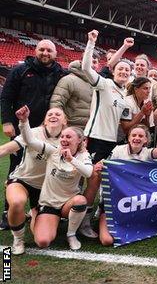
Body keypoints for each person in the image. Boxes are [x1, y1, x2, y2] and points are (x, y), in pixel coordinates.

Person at [0, 38, 66, 229]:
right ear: (35, 51)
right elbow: (6, 97)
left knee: (47, 168)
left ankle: (41, 208)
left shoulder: (60, 73)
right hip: (24, 128)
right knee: (18, 166)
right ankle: (9, 210)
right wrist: (7, 121)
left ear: (55, 54)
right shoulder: (21, 70)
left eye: (49, 51)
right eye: (42, 49)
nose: (45, 53)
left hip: (50, 131)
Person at [16, 105, 97, 251]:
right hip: (49, 204)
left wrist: (71, 159)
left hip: (68, 204)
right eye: (63, 136)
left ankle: (71, 234)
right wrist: (24, 121)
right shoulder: (53, 151)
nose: (64, 139)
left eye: (69, 136)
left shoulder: (83, 156)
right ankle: (36, 214)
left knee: (80, 200)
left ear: (79, 140)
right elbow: (31, 141)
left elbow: (88, 173)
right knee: (43, 242)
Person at [80, 30, 134, 238]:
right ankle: (82, 222)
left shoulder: (124, 96)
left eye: (126, 71)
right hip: (96, 139)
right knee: (92, 181)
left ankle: (95, 214)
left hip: (112, 142)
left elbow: (126, 124)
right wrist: (91, 43)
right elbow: (86, 67)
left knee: (104, 181)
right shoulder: (104, 84)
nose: (123, 72)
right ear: (113, 71)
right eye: (120, 69)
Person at [0, 107, 66, 254]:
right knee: (17, 202)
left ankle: (34, 212)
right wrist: (24, 121)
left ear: (65, 121)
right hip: (22, 180)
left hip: (46, 190)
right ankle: (18, 239)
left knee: (42, 240)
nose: (53, 116)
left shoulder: (67, 138)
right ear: (44, 120)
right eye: (49, 114)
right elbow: (6, 149)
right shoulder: (33, 132)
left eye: (58, 114)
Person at [98, 120, 157, 246]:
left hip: (136, 200)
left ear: (145, 140)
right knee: (107, 241)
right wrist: (100, 166)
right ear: (128, 138)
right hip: (115, 199)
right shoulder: (118, 150)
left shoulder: (147, 153)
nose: (136, 138)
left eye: (140, 136)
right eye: (134, 135)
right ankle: (102, 215)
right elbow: (105, 167)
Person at [50, 59, 96, 130]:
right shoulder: (68, 80)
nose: (93, 65)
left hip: (88, 130)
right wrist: (61, 125)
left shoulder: (95, 83)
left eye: (95, 62)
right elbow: (56, 103)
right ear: (82, 61)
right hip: (70, 128)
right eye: (91, 61)